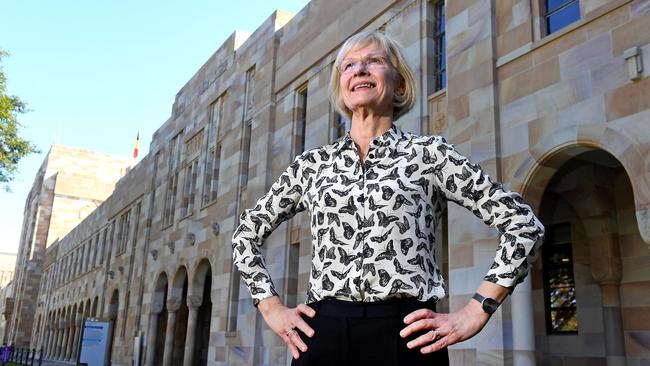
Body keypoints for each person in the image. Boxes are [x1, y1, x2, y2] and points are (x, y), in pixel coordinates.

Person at [232, 31, 545, 366]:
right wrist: (271, 307)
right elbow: (245, 235)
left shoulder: (430, 155)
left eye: (375, 61)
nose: (360, 69)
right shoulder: (311, 165)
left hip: (409, 337)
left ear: (398, 84)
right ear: (342, 87)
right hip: (323, 334)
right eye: (349, 65)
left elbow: (523, 225)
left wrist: (476, 310)